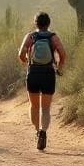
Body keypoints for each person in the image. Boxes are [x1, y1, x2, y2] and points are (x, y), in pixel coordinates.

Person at [17, 11, 67, 151]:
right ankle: (43, 132)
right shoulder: (53, 37)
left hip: (33, 73)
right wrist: (58, 66)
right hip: (48, 74)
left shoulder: (31, 36)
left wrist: (28, 62)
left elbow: (21, 54)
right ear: (48, 23)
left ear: (36, 23)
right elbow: (63, 54)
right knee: (45, 108)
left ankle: (37, 132)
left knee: (34, 106)